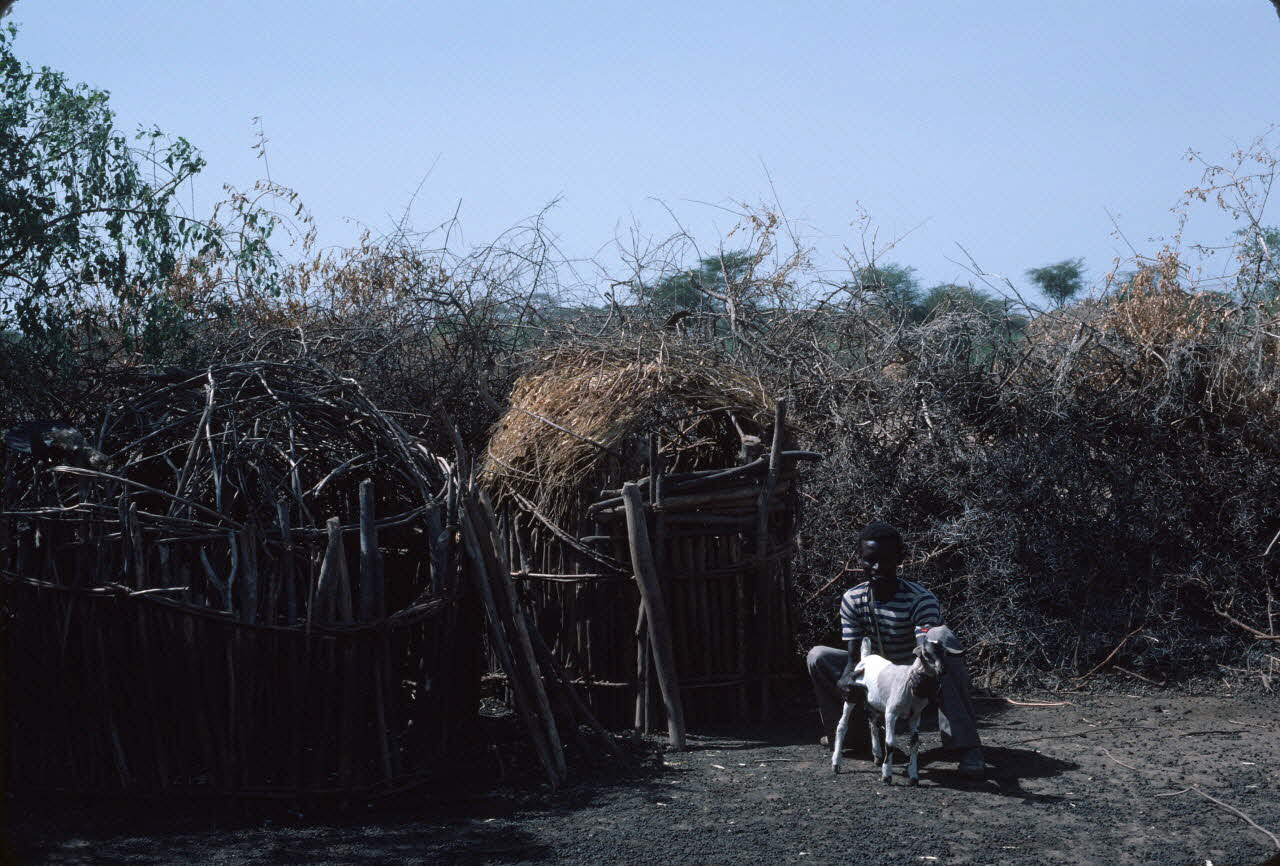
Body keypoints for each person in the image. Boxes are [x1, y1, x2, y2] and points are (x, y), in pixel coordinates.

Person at [806, 521, 985, 777]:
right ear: (859, 559)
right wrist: (847, 677)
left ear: (900, 559)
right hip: (877, 674)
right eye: (870, 560)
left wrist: (922, 676)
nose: (878, 568)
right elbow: (854, 657)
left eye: (887, 560)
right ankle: (855, 738)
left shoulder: (920, 598)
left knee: (940, 636)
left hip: (913, 674)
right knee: (818, 656)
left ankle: (965, 745)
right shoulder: (852, 599)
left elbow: (925, 646)